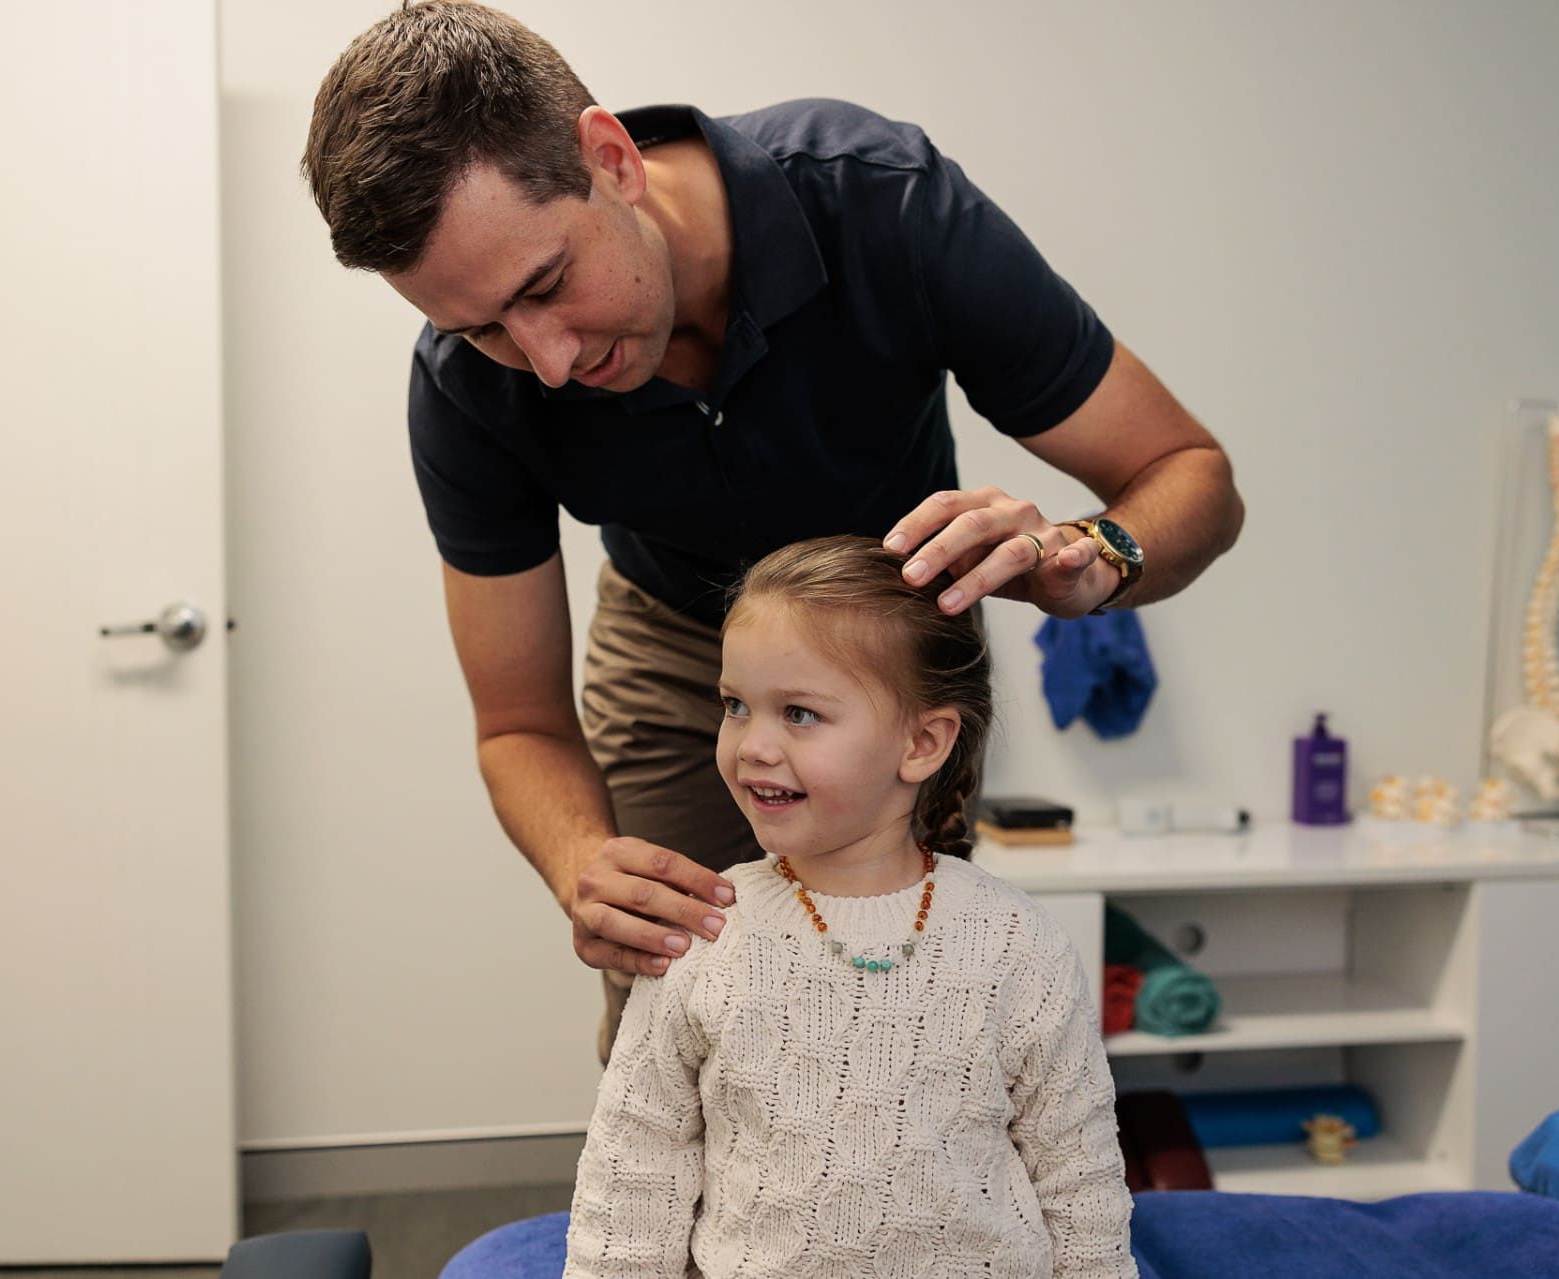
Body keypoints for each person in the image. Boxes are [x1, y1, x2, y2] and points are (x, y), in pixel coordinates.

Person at [302, 1, 1243, 1063]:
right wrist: (582, 865)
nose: (549, 361)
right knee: (679, 1027)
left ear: (610, 157)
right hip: (670, 643)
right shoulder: (466, 387)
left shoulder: (882, 202)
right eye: (484, 328)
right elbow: (518, 724)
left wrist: (1095, 560)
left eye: (548, 285)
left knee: (906, 1025)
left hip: (888, 646)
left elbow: (1190, 477)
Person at [565, 535, 1135, 1277]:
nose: (752, 746)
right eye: (736, 705)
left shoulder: (1015, 943)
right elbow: (632, 1174)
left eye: (798, 712)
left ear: (923, 742)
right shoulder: (703, 932)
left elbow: (1079, 1180)